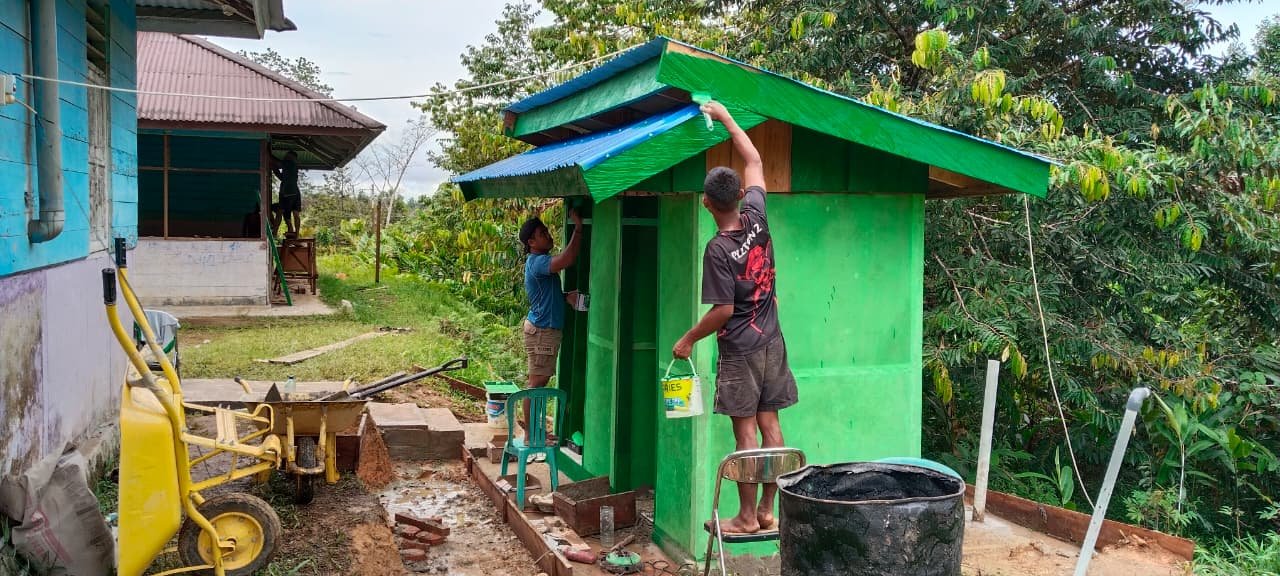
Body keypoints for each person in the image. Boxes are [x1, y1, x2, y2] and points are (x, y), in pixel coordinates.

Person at [672, 101, 797, 535]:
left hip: (741, 350)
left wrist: (688, 339)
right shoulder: (757, 216)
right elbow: (755, 160)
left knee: (745, 435)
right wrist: (726, 118)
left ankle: (745, 518)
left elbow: (724, 310)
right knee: (771, 426)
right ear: (741, 195)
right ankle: (767, 509)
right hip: (772, 340)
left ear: (706, 203)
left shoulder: (718, 250)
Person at [518, 210, 584, 454]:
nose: (548, 235)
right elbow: (567, 259)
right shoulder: (537, 262)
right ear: (531, 242)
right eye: (542, 234)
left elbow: (545, 295)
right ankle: (530, 435)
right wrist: (578, 229)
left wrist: (565, 297)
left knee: (540, 382)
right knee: (536, 384)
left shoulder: (538, 262)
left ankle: (535, 431)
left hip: (543, 329)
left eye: (546, 231)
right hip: (542, 331)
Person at [271, 150, 302, 238]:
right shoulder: (292, 167)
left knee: (280, 211)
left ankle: (274, 233)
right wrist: (275, 169)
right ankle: (296, 234)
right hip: (295, 192)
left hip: (287, 192)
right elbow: (282, 177)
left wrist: (268, 155)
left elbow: (277, 162)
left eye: (287, 156)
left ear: (292, 157)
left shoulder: (289, 163)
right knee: (295, 213)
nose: (285, 157)